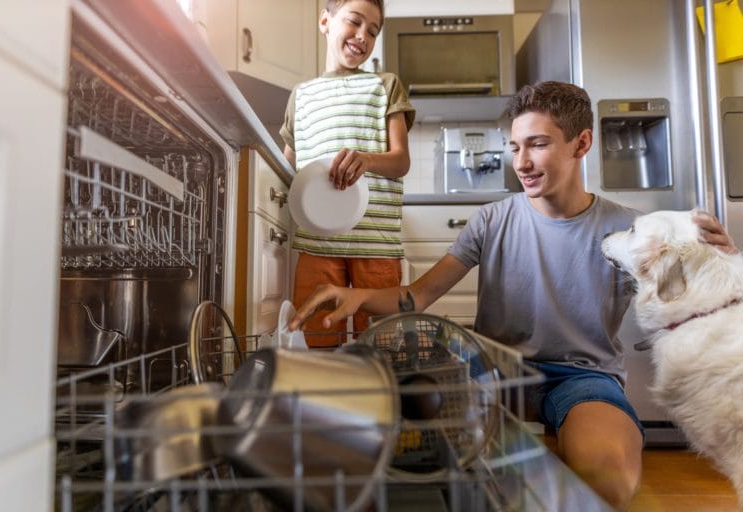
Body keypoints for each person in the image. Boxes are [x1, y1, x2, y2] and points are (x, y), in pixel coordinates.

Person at [288, 81, 738, 510]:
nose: (521, 162)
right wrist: (354, 295)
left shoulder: (633, 232)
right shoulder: (492, 220)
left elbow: (703, 303)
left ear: (581, 144)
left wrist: (722, 262)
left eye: (538, 144)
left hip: (581, 377)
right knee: (416, 457)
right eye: (515, 147)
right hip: (492, 369)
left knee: (609, 483)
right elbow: (416, 297)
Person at [279, 0, 415, 347]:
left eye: (372, 30)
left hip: (376, 242)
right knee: (317, 339)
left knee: (382, 344)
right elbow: (285, 168)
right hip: (317, 241)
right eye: (354, 22)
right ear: (325, 21)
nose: (362, 36)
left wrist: (366, 161)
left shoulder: (384, 86)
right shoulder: (302, 95)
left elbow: (400, 161)